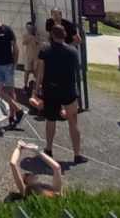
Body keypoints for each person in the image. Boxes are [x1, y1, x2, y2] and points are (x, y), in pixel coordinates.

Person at [34, 25, 85, 163]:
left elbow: (40, 69)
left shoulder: (45, 51)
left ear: (51, 35)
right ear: (64, 35)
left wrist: (36, 87)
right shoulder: (73, 51)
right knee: (73, 121)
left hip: (51, 89)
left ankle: (49, 148)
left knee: (51, 120)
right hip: (68, 89)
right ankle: (77, 154)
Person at [0, 11, 25, 128]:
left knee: (10, 90)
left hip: (8, 64)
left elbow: (16, 47)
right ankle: (19, 109)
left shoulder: (6, 30)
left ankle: (12, 116)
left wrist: (15, 64)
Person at [21, 22, 40, 91]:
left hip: (35, 56)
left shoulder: (36, 35)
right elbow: (24, 42)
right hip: (28, 56)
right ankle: (25, 86)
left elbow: (37, 42)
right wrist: (29, 36)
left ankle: (36, 86)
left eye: (31, 28)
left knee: (36, 71)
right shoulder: (26, 35)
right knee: (27, 71)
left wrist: (33, 36)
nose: (29, 29)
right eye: (28, 28)